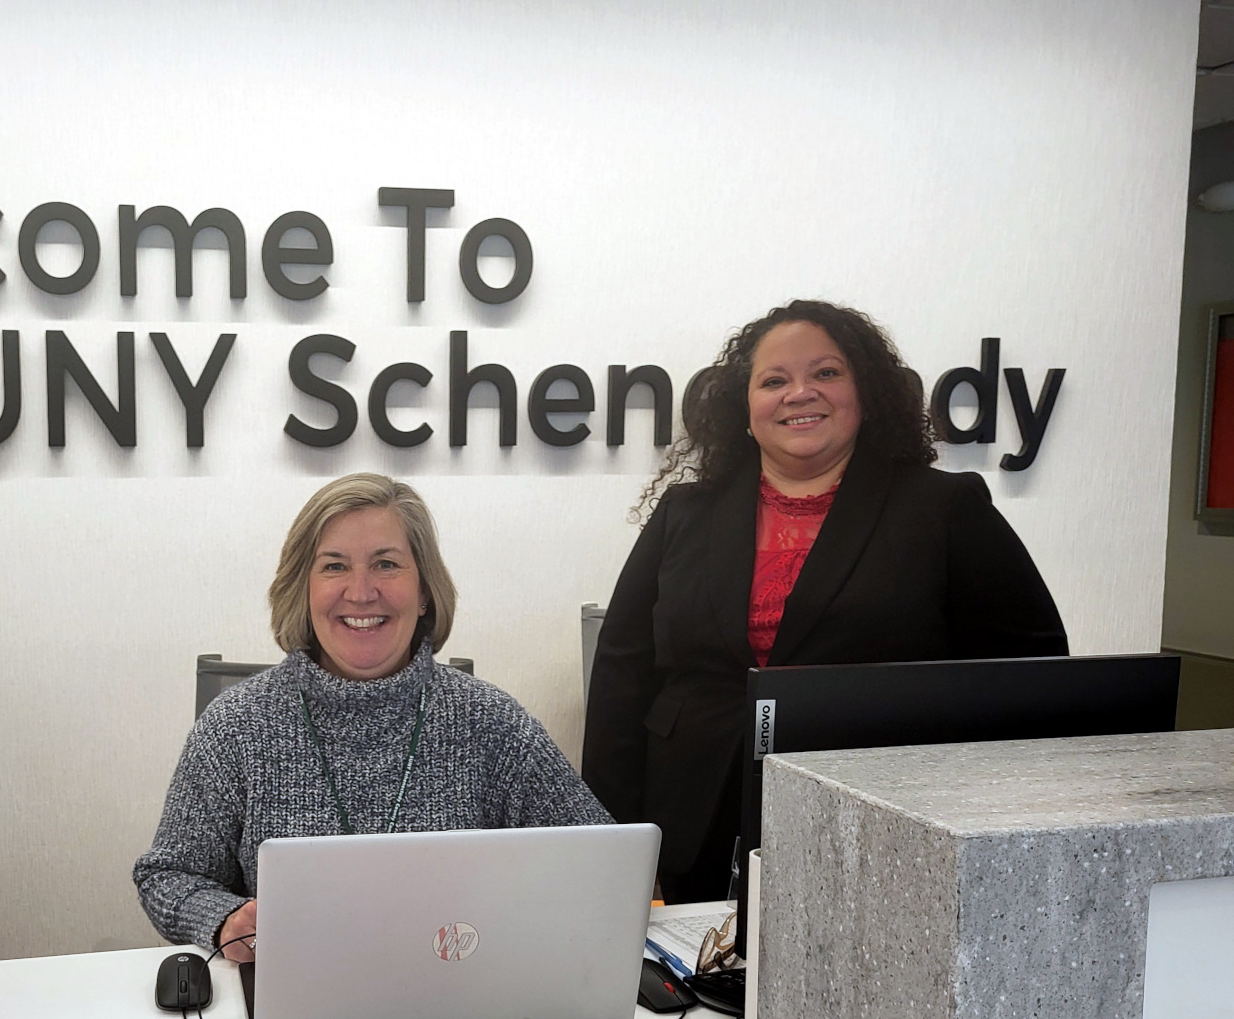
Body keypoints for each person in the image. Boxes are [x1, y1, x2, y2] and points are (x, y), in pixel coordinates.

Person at [582, 300, 1067, 903]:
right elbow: (621, 677)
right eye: (774, 381)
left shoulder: (944, 509)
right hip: (692, 817)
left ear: (866, 394)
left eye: (827, 373)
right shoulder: (685, 513)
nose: (799, 393)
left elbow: (1030, 670)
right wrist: (611, 838)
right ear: (746, 408)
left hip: (878, 821)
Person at [134, 472, 611, 959]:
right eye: (335, 566)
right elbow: (168, 876)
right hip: (295, 1000)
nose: (361, 593)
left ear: (424, 590)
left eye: (386, 564)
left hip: (460, 997)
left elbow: (602, 863)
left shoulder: (490, 722)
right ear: (303, 588)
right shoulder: (237, 726)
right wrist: (223, 920)